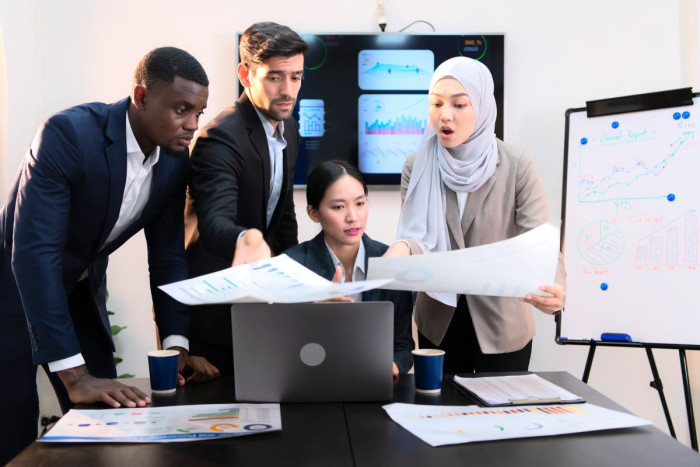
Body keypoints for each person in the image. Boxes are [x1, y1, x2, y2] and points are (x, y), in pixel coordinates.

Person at [0, 47, 229, 464]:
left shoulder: (175, 159)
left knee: (111, 419)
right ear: (141, 97)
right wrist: (74, 374)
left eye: (199, 111)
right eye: (181, 110)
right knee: (13, 428)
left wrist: (176, 348)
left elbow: (168, 257)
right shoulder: (68, 134)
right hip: (13, 287)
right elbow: (35, 255)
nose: (193, 125)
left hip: (80, 288)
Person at [387, 56, 566, 374]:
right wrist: (397, 253)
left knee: (501, 420)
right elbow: (417, 238)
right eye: (436, 103)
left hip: (503, 324)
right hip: (439, 323)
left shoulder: (516, 164)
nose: (445, 115)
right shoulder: (417, 166)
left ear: (482, 107)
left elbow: (538, 239)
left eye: (459, 105)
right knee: (440, 418)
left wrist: (554, 287)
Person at [184, 22, 308, 375]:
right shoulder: (220, 138)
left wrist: (296, 283)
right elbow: (214, 222)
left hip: (262, 310)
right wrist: (246, 238)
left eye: (296, 77)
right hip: (215, 315)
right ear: (245, 74)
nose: (288, 90)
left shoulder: (290, 130)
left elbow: (282, 214)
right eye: (275, 77)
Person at [284, 160, 414, 377]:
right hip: (313, 383)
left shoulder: (390, 261)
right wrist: (312, 314)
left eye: (360, 203)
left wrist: (392, 365)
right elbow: (282, 351)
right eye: (338, 207)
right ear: (313, 213)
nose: (353, 217)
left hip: (374, 383)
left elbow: (402, 346)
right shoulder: (292, 266)